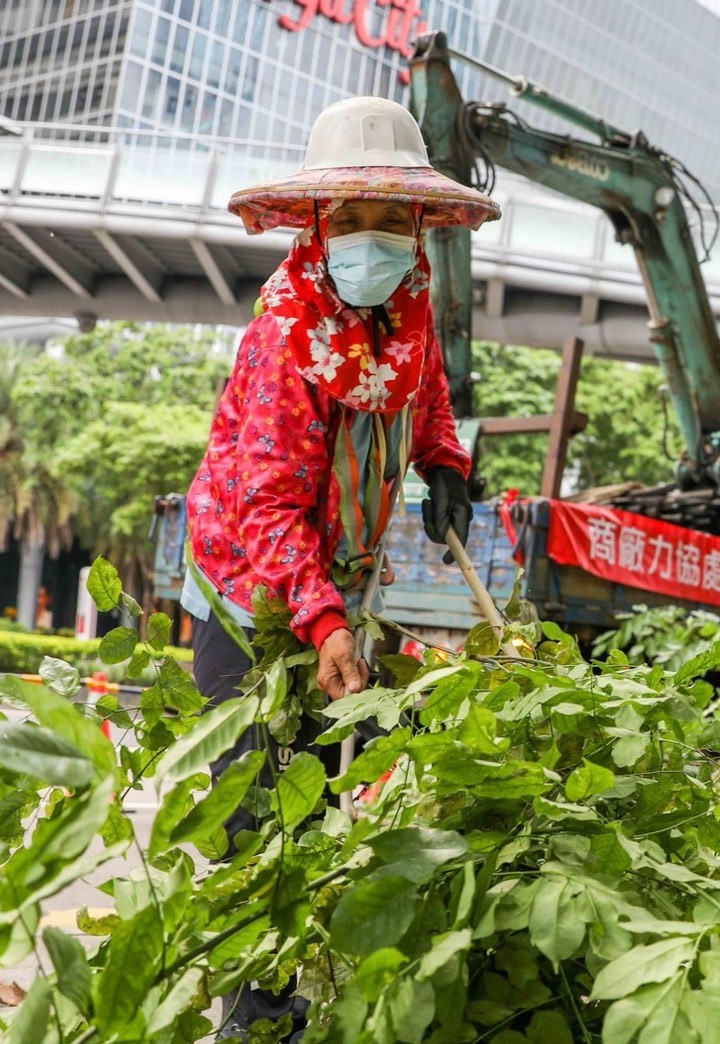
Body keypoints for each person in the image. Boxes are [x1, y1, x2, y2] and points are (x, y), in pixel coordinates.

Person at [181, 95, 499, 1041]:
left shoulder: (410, 309)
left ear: (416, 230)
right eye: (351, 220)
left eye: (389, 221)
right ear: (319, 228)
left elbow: (429, 391)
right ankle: (255, 1018)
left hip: (339, 586)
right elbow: (267, 508)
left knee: (325, 800)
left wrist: (445, 462)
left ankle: (309, 1000)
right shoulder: (285, 337)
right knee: (260, 822)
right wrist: (319, 625)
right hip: (256, 602)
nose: (372, 239)